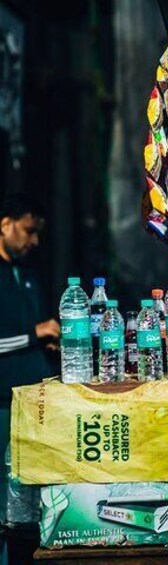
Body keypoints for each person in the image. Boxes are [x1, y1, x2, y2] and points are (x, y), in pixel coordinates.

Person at [0, 195, 56, 533]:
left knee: (28, 502)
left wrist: (48, 341)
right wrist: (35, 334)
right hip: (2, 404)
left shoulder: (26, 273)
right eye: (29, 230)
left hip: (32, 402)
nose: (33, 241)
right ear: (5, 225)